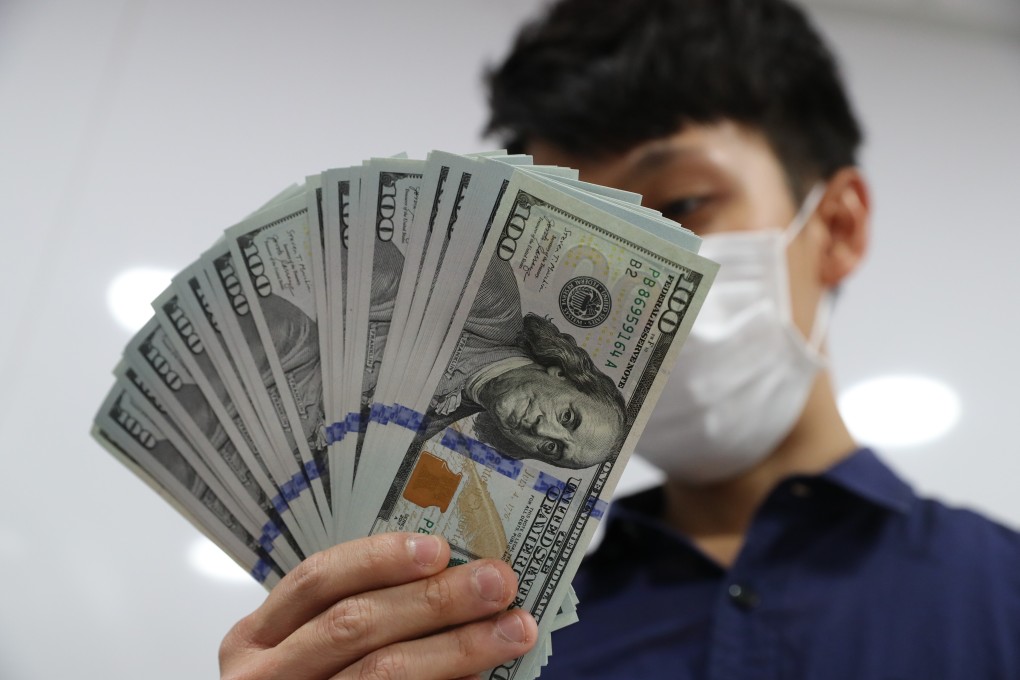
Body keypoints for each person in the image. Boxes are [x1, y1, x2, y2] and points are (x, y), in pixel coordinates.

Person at [218, 1, 1020, 678]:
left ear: (837, 227)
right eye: (583, 233)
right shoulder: (491, 634)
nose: (623, 277)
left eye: (681, 206)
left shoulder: (1002, 596)